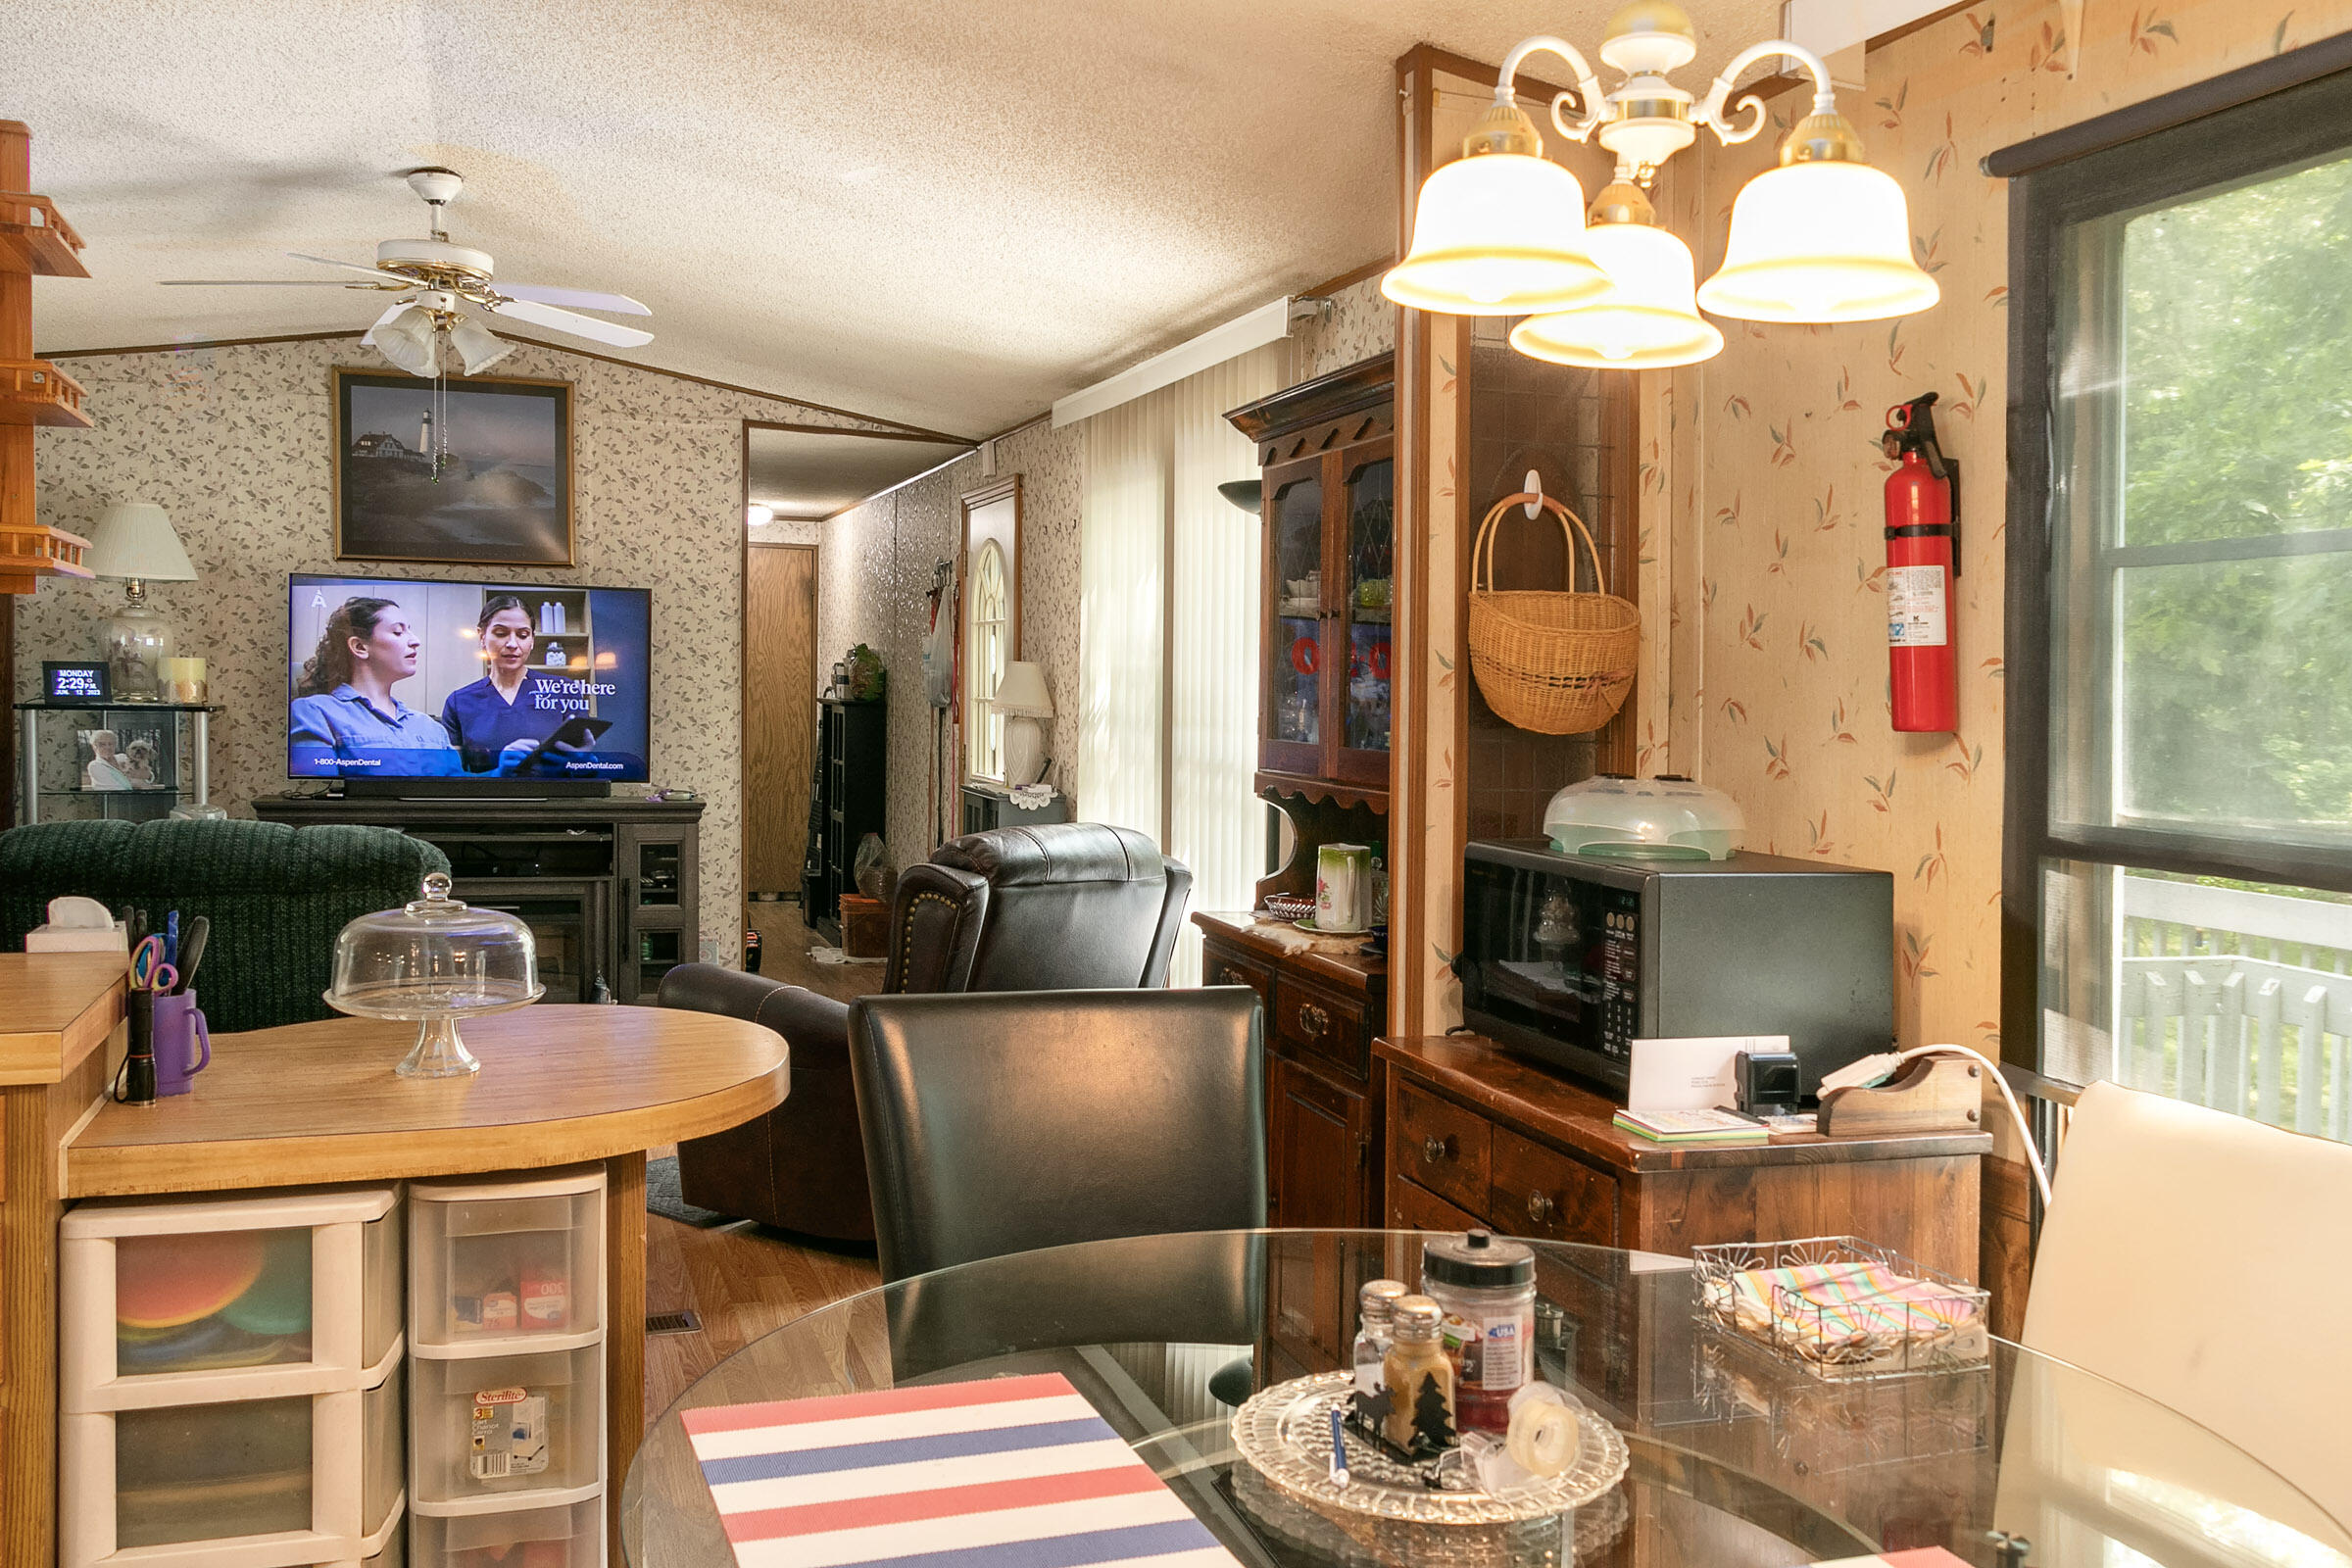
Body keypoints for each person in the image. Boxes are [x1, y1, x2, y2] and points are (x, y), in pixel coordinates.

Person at [289, 595, 463, 776]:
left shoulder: (431, 727)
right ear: (359, 647)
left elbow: (459, 795)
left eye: (409, 630)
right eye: (398, 632)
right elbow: (319, 791)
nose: (415, 641)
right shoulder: (314, 712)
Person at [438, 594, 581, 774]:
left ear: (532, 640)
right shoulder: (459, 702)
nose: (512, 644)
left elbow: (583, 767)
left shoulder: (563, 690)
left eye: (522, 635)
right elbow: (450, 777)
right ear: (482, 636)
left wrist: (583, 764)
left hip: (555, 800)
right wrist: (498, 774)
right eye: (501, 633)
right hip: (486, 801)